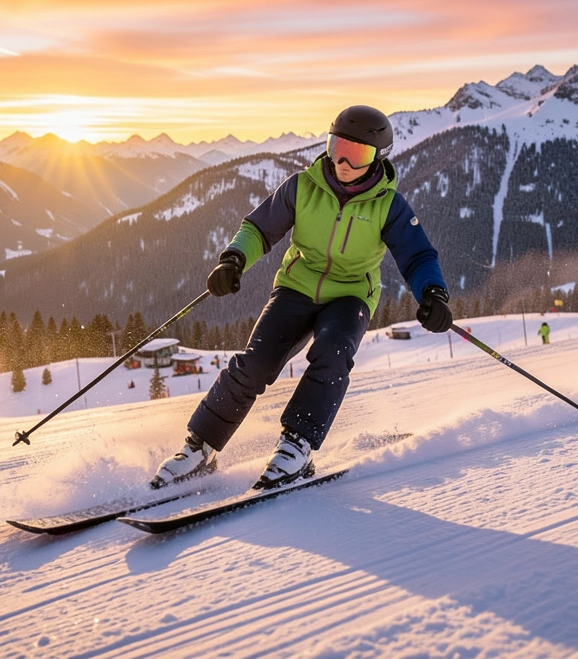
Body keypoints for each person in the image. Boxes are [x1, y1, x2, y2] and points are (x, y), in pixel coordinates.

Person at [152, 105, 453, 491]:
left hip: (350, 295)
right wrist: (233, 259)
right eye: (336, 147)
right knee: (255, 363)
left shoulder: (388, 205)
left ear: (378, 158)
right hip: (296, 286)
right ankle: (200, 447)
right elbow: (259, 228)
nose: (342, 162)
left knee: (332, 352)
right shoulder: (303, 186)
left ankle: (298, 444)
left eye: (356, 154)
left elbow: (417, 256)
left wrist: (433, 292)